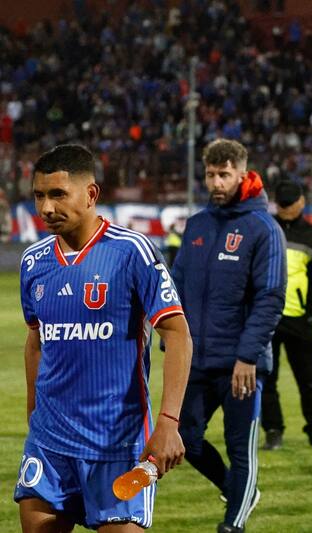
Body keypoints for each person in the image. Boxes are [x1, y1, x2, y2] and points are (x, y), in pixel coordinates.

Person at [14, 144, 192, 531]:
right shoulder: (33, 262)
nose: (45, 208)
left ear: (91, 194)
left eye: (58, 194)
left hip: (118, 446)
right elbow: (36, 341)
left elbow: (177, 334)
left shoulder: (132, 252)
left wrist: (168, 421)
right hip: (49, 444)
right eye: (39, 196)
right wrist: (33, 415)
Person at [172, 139, 286, 533]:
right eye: (210, 174)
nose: (216, 182)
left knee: (241, 450)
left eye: (224, 174)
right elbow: (178, 284)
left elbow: (270, 298)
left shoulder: (263, 229)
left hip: (241, 365)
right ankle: (237, 490)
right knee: (185, 438)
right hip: (198, 360)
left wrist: (248, 357)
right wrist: (172, 338)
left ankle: (233, 524)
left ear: (242, 173)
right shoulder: (198, 224)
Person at [261, 180, 312, 451]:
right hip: (268, 318)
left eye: (290, 203)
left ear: (301, 202)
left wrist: (310, 313)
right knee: (267, 380)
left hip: (299, 320)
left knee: (308, 381)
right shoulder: (266, 230)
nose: (287, 209)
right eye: (282, 204)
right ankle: (273, 431)